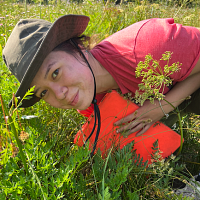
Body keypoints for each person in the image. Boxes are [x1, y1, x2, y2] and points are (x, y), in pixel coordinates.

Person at [3, 15, 200, 147]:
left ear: (76, 48)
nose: (59, 94)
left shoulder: (148, 47)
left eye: (55, 73)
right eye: (43, 92)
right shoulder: (87, 97)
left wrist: (161, 106)